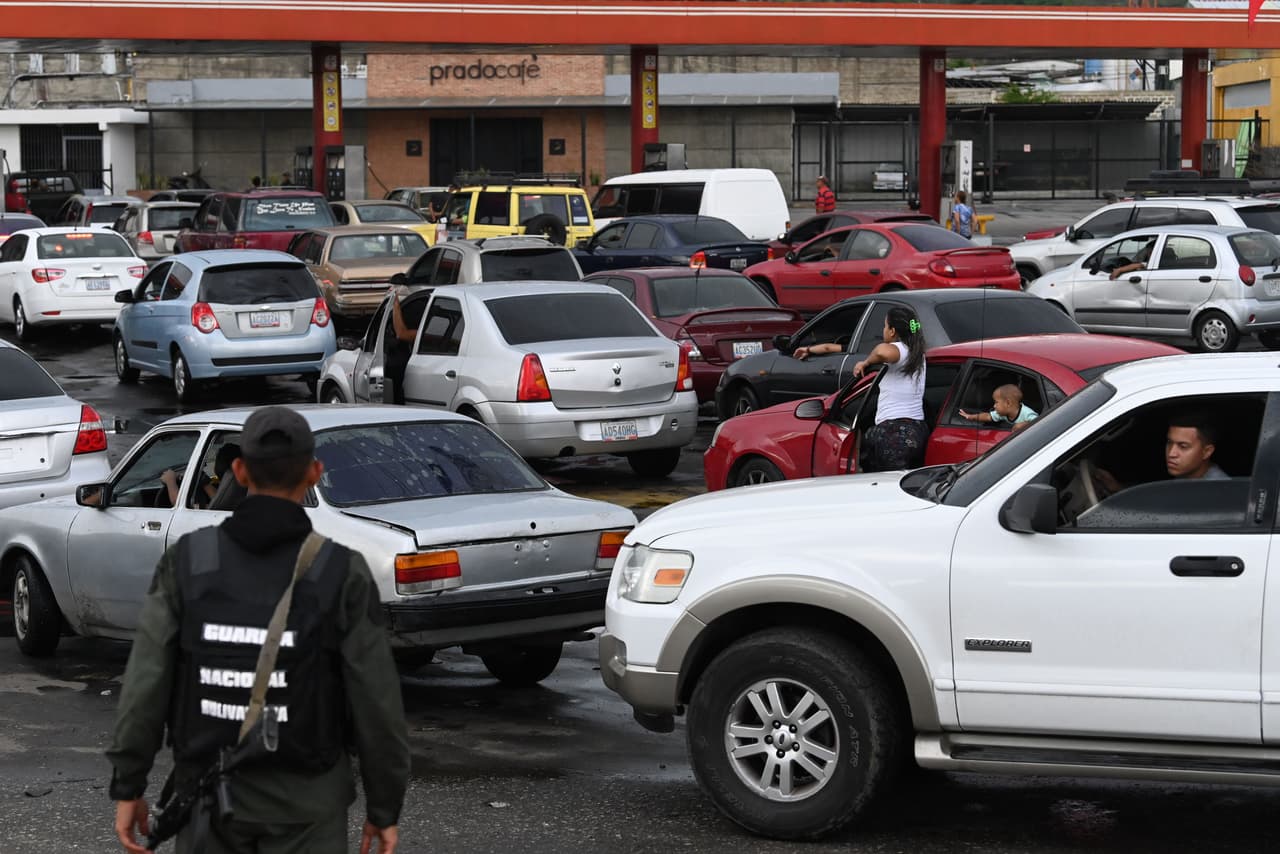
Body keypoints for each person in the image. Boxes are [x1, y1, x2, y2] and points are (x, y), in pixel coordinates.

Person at [107, 406, 409, 854]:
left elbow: (145, 684)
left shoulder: (189, 561)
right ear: (315, 473)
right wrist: (384, 808)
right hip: (307, 808)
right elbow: (377, 702)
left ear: (239, 472)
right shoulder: (340, 571)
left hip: (209, 802)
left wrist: (129, 785)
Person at [853, 307, 928, 472]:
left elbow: (882, 352)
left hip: (894, 433)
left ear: (892, 331)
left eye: (885, 326)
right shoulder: (917, 353)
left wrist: (866, 362)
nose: (883, 330)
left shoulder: (901, 349)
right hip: (917, 430)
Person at [1095, 413, 1227, 495]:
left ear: (1206, 452)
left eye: (1183, 446)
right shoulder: (1189, 477)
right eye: (1169, 443)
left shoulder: (1216, 493)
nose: (1171, 453)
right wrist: (1118, 488)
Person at [959, 384, 1038, 431]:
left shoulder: (1027, 413)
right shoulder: (1003, 413)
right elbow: (988, 416)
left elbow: (1039, 423)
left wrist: (1023, 425)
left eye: (996, 402)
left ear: (1008, 403)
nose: (994, 406)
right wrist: (971, 416)